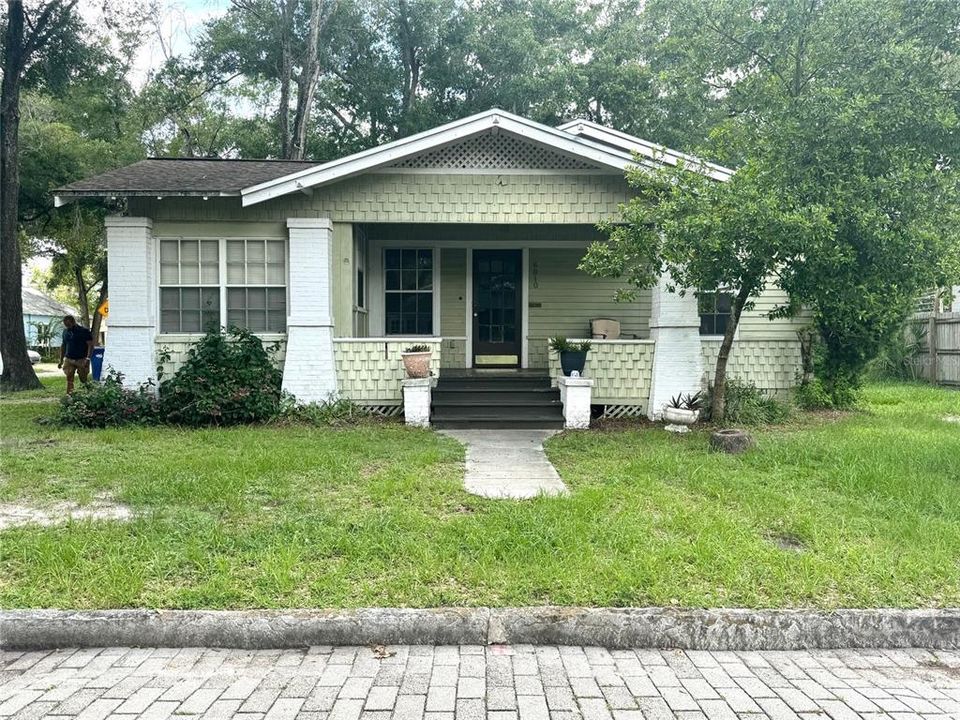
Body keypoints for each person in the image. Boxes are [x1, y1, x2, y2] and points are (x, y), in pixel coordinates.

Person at [59, 315, 94, 394]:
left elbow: (90, 345)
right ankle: (69, 395)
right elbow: (63, 345)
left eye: (68, 324)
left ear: (73, 322)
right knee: (69, 377)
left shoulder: (84, 331)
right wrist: (61, 360)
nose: (67, 326)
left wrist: (88, 359)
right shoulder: (65, 332)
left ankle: (88, 394)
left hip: (81, 359)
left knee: (83, 378)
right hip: (69, 358)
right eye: (65, 325)